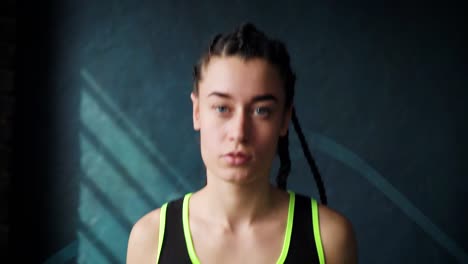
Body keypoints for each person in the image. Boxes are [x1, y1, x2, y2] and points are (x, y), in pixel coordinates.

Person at [127, 23, 358, 264]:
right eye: (222, 108)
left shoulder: (329, 238)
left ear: (284, 119)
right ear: (197, 112)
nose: (239, 132)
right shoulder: (150, 240)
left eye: (261, 111)